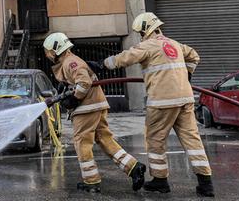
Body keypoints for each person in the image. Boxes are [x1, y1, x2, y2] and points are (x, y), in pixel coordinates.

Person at [87, 13, 214, 197]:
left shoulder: (146, 46)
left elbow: (124, 58)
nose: (140, 35)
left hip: (162, 102)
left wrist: (101, 64)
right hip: (185, 99)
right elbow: (194, 56)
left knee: (155, 140)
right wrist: (187, 75)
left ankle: (160, 181)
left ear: (146, 29)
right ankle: (206, 184)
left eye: (140, 32)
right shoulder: (175, 44)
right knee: (192, 140)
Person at [43, 32, 146, 194]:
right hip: (96, 105)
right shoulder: (71, 61)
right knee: (104, 139)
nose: (47, 55)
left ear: (56, 49)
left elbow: (84, 82)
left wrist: (74, 99)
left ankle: (91, 181)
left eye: (48, 51)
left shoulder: (70, 62)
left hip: (86, 109)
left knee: (81, 142)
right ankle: (133, 167)